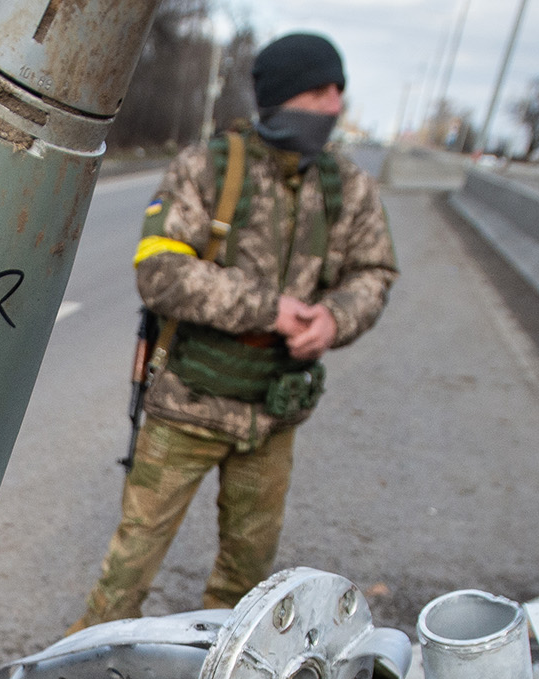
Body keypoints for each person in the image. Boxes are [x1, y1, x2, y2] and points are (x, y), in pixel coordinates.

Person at [70, 32, 399, 631]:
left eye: (339, 92)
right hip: (187, 405)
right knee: (126, 574)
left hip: (272, 414)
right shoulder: (208, 168)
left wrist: (333, 319)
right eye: (322, 91)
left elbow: (374, 271)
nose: (335, 106)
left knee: (247, 584)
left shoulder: (347, 187)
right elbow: (159, 270)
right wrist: (269, 311)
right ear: (284, 96)